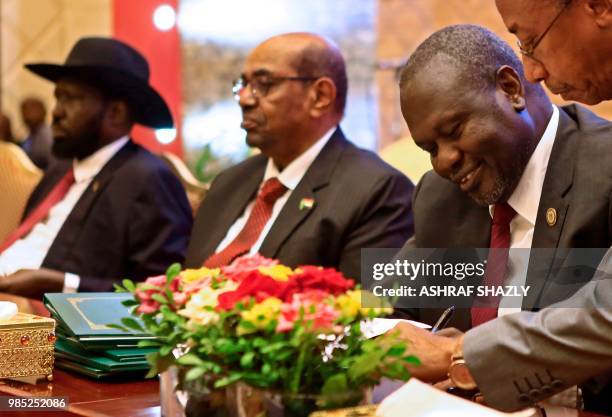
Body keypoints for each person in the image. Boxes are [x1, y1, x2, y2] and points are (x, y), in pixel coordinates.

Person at [394, 1, 612, 413]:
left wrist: (462, 357)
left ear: (510, 89)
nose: (444, 161)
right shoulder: (442, 197)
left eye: (454, 132)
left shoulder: (604, 172)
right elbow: (385, 306)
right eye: (429, 149)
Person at [185, 32, 414, 280]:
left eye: (264, 84)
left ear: (320, 96)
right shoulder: (228, 183)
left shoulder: (377, 191)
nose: (244, 99)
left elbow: (375, 311)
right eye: (243, 85)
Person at [0, 37, 193, 297]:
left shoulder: (148, 178)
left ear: (115, 112)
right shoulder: (60, 170)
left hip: (52, 325)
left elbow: (160, 292)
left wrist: (62, 285)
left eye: (71, 99)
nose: (56, 112)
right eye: (57, 98)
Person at [20, 97, 55, 170]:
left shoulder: (47, 135)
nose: (27, 113)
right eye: (24, 109)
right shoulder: (30, 137)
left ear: (44, 111)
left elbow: (53, 166)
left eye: (33, 109)